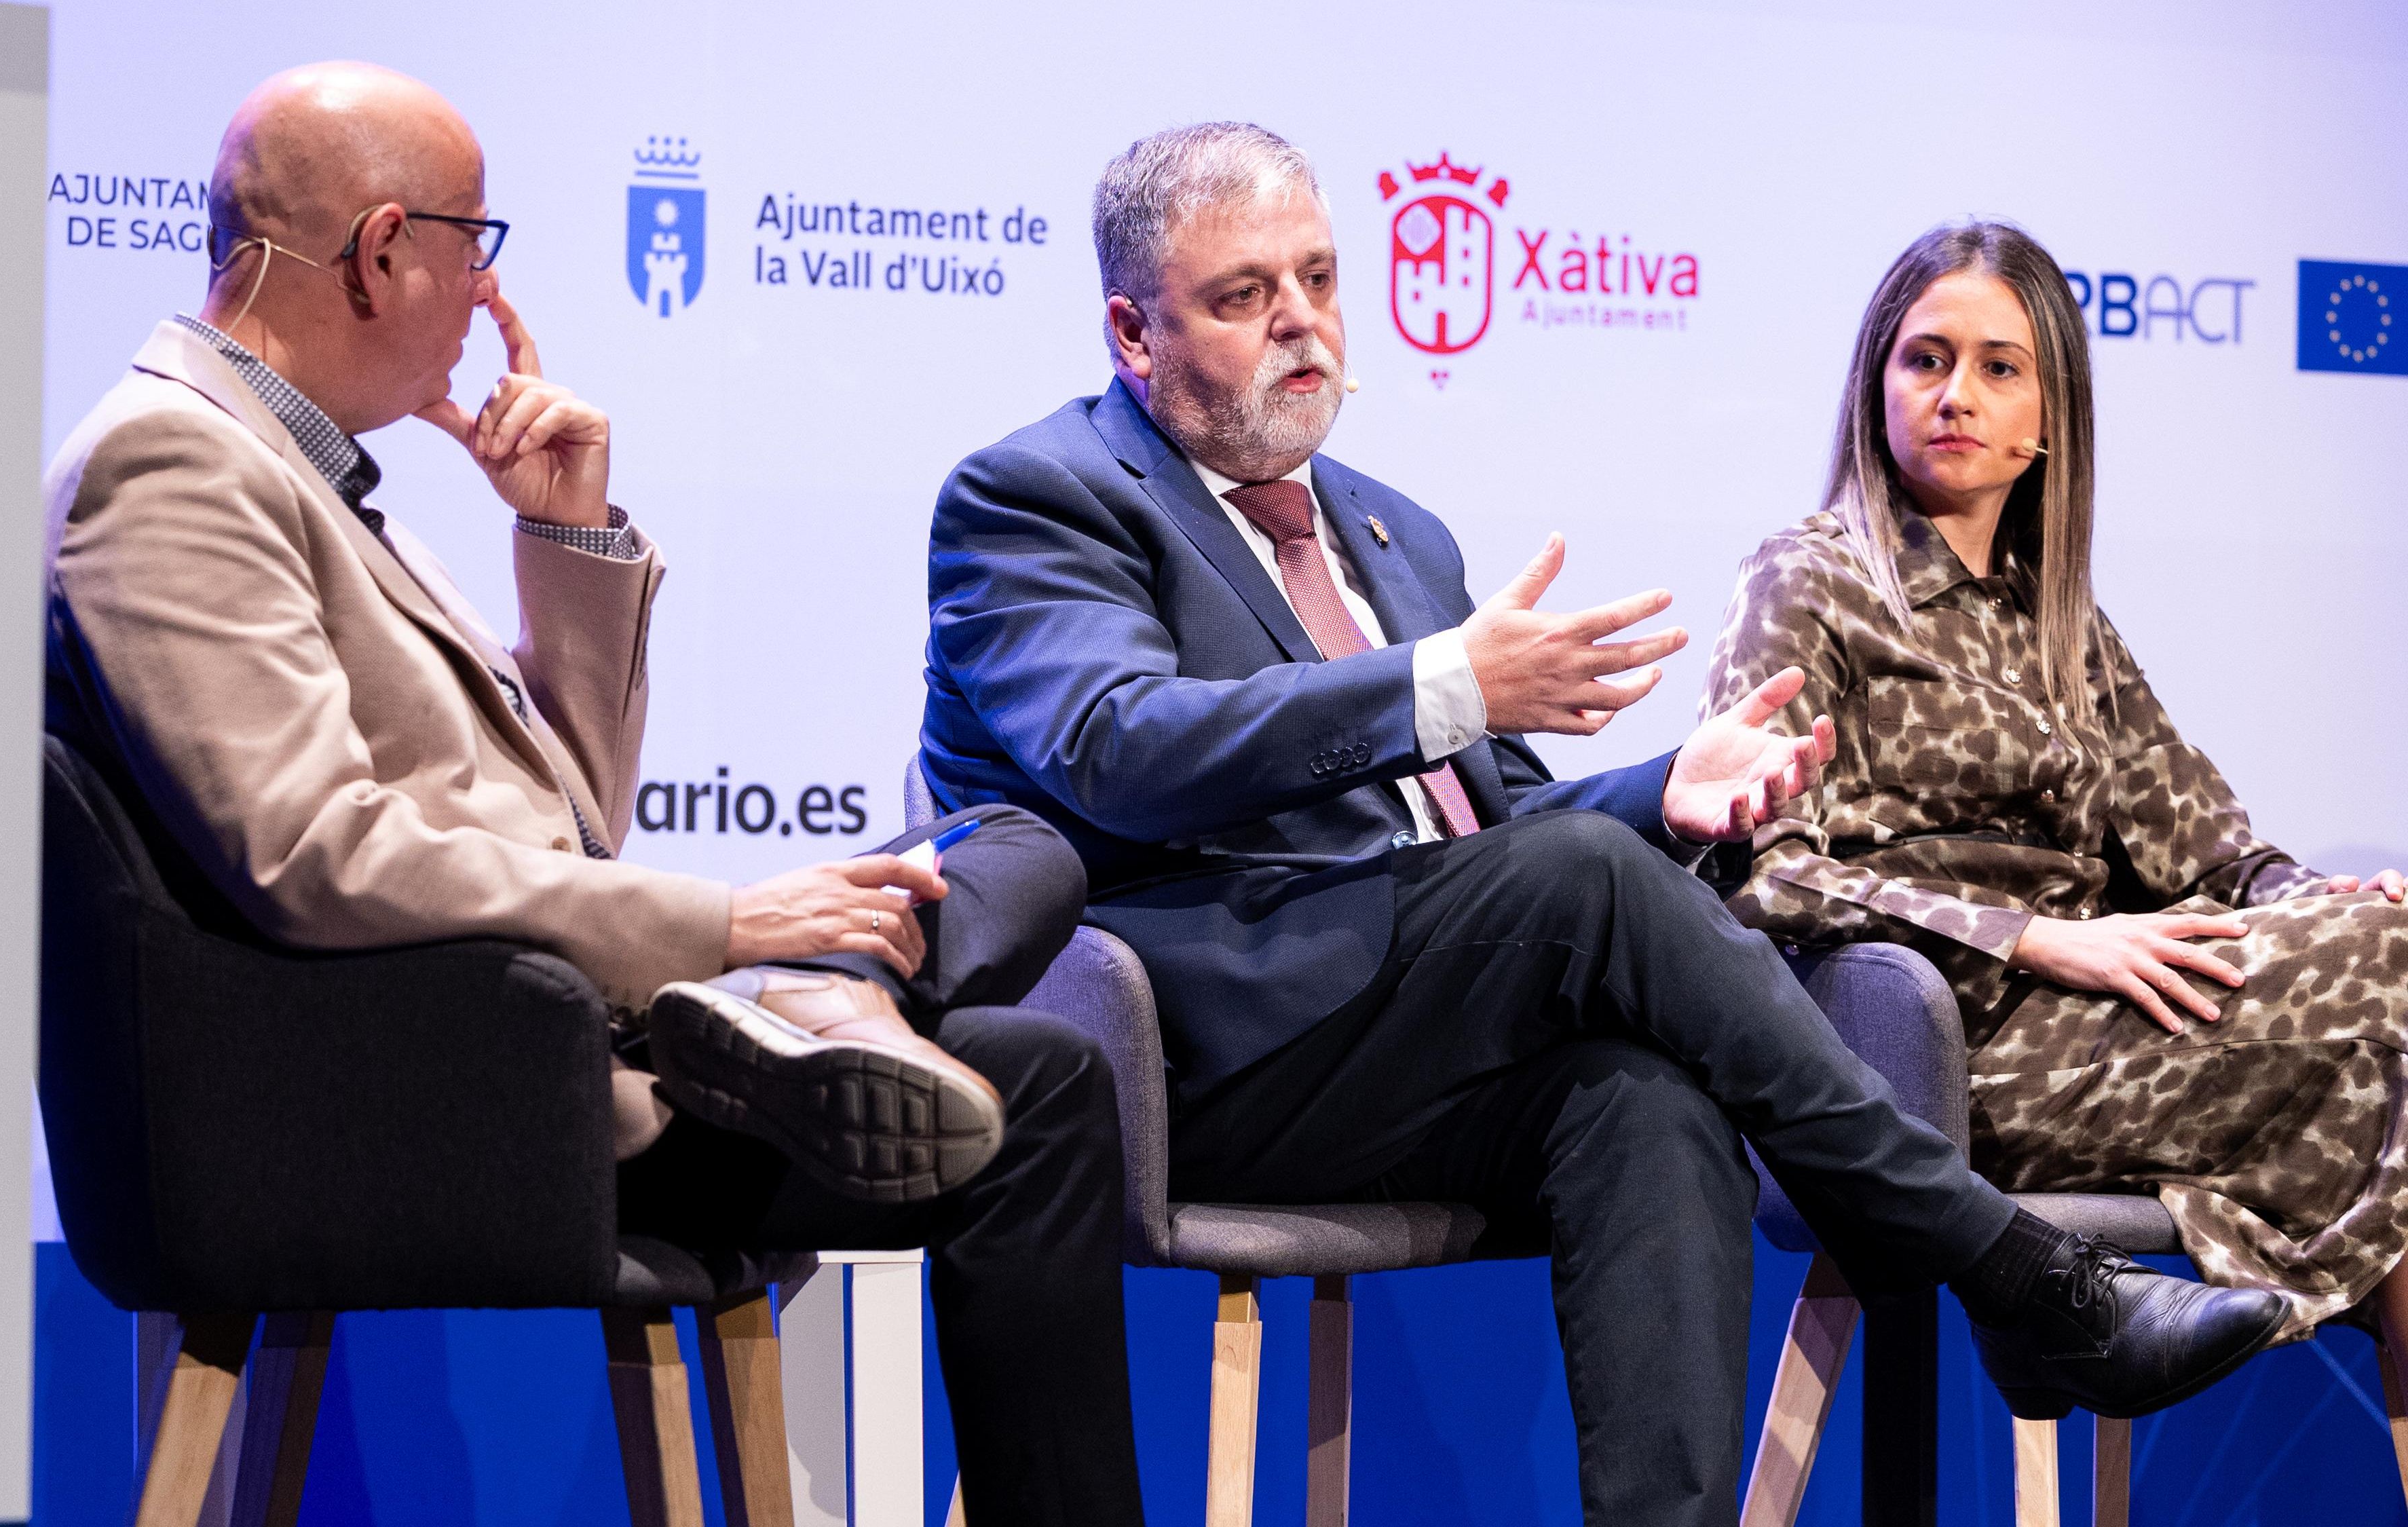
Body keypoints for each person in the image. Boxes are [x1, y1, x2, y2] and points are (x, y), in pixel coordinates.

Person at [919, 121, 2284, 1524]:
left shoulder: (1390, 533)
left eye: (1319, 280)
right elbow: (1114, 747)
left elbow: (1492, 827)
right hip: (1198, 1051)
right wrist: (1444, 684)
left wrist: (1663, 790)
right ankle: (2013, 1275)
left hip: (1402, 1034)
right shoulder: (1039, 497)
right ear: (1130, 332)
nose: (1302, 326)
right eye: (1242, 298)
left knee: (1642, 1098)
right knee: (1572, 880)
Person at [42, 62, 1141, 1523]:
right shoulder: (173, 460)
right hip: (441, 1092)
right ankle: (809, 998)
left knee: (1005, 845)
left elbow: (570, 818)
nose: (484, 296)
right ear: (385, 252)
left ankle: (829, 1001)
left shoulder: (301, 476)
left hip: (542, 1033)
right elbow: (313, 855)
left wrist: (563, 539)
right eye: (474, 245)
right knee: (1040, 1080)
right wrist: (728, 921)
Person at [1701, 219, 2408, 1345]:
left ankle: (2092, 1341)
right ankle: (2079, 1340)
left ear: (2048, 417)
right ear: (1875, 385)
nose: (1955, 395)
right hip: (1944, 1062)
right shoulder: (1808, 579)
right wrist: (2033, 936)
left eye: (1999, 368)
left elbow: (2220, 855)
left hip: (2120, 1025)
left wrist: (2326, 897)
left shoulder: (2065, 623)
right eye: (1925, 359)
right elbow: (1764, 877)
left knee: (2392, 1024)